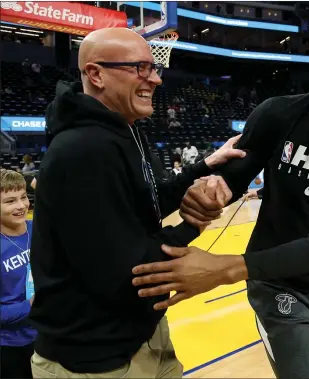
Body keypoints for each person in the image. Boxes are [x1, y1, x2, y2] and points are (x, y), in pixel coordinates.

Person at [131, 26, 309, 378]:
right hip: (274, 282)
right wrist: (212, 191)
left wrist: (223, 268)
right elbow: (234, 178)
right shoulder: (278, 114)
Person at [28, 27, 244, 379]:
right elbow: (130, 274)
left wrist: (205, 165)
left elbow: (150, 200)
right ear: (96, 74)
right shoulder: (84, 151)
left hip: (140, 335)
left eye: (154, 68)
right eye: (141, 69)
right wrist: (193, 225)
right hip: (96, 359)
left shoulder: (126, 130)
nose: (155, 79)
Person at [0, 169, 37, 379]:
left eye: (23, 197)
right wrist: (30, 306)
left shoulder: (38, 231)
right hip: (10, 347)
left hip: (46, 336)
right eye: (10, 201)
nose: (21, 206)